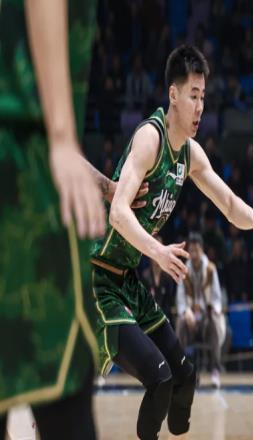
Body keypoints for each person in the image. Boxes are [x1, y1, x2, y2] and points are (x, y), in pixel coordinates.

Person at [90, 44, 253, 440]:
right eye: (193, 96)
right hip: (99, 276)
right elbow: (118, 213)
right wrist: (157, 252)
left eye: (203, 97)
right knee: (159, 379)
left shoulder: (190, 154)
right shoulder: (149, 139)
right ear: (173, 95)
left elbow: (228, 203)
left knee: (185, 376)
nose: (200, 107)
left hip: (127, 280)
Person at [0, 2, 148, 438]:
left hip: (25, 156)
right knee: (65, 396)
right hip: (22, 175)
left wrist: (101, 184)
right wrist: (62, 137)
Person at [176, 233, 226, 389]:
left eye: (196, 250)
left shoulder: (210, 269)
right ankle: (183, 370)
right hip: (191, 315)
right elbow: (180, 298)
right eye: (191, 250)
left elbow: (217, 297)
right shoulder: (184, 270)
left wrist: (211, 310)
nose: (194, 254)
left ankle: (215, 370)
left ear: (202, 250)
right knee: (181, 323)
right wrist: (186, 311)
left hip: (206, 315)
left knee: (215, 322)